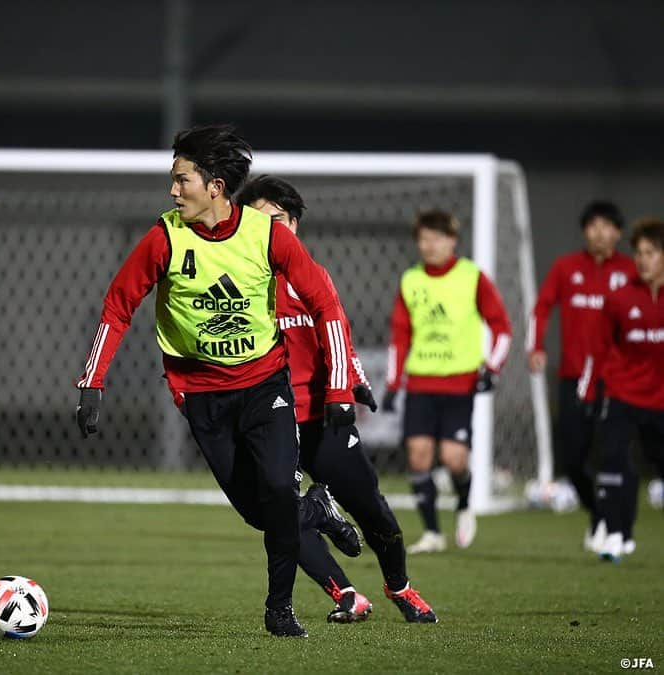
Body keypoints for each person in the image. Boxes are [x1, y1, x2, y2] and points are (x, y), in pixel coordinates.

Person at [74, 125, 360, 638]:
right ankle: (313, 505)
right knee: (259, 513)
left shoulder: (266, 234)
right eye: (173, 180)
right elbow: (119, 305)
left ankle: (280, 609)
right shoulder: (164, 237)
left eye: (182, 180)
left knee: (275, 489)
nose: (173, 190)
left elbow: (326, 304)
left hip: (264, 385)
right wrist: (92, 383)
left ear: (215, 187)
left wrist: (339, 389)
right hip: (202, 397)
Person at [235, 175, 437, 623]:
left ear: (295, 225)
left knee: (372, 509)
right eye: (257, 221)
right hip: (266, 421)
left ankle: (400, 587)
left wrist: (351, 385)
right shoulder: (234, 284)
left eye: (278, 221)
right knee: (278, 514)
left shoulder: (310, 276)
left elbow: (337, 336)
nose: (269, 230)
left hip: (317, 417)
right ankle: (346, 595)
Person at [383, 209, 512, 554]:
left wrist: (492, 368)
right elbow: (400, 335)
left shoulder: (472, 277)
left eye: (437, 238)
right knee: (419, 456)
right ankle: (432, 533)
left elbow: (502, 327)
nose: (430, 245)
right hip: (421, 383)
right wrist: (394, 384)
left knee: (454, 459)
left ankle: (465, 504)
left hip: (459, 385)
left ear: (452, 240)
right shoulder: (411, 280)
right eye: (424, 238)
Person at [527, 200, 635, 552]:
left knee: (611, 454)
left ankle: (617, 526)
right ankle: (598, 513)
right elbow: (541, 307)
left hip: (617, 380)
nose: (599, 233)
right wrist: (536, 346)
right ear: (584, 231)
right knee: (573, 459)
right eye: (593, 226)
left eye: (607, 226)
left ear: (618, 232)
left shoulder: (632, 272)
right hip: (573, 377)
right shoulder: (566, 267)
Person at [579, 218, 664, 562]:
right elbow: (597, 350)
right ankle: (615, 534)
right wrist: (588, 393)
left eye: (651, 252)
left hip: (660, 401)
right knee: (612, 461)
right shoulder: (618, 299)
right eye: (639, 252)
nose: (642, 259)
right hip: (623, 395)